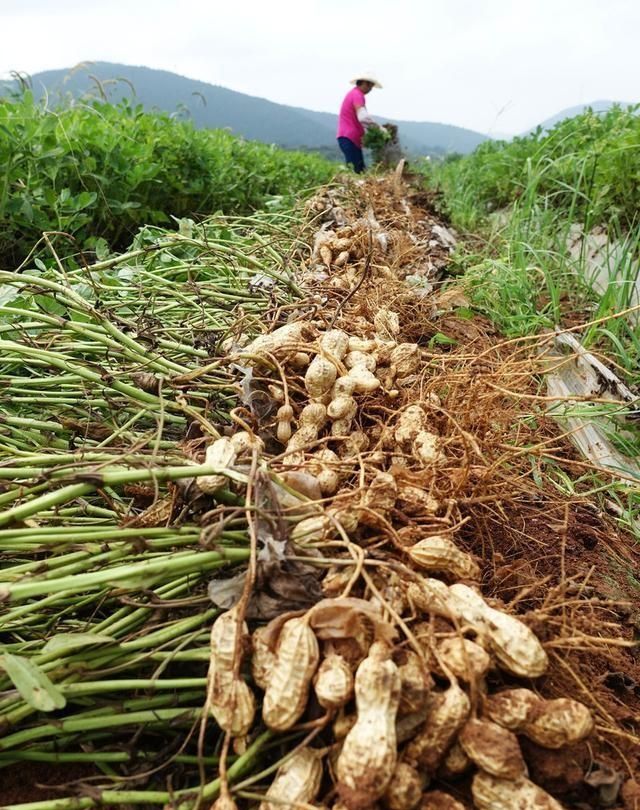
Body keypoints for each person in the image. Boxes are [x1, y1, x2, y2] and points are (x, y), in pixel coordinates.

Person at [337, 72, 383, 173]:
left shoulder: (353, 93)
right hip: (349, 138)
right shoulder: (358, 95)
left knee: (360, 169)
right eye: (370, 86)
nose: (370, 89)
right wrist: (379, 128)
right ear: (364, 83)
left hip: (349, 138)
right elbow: (363, 117)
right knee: (356, 171)